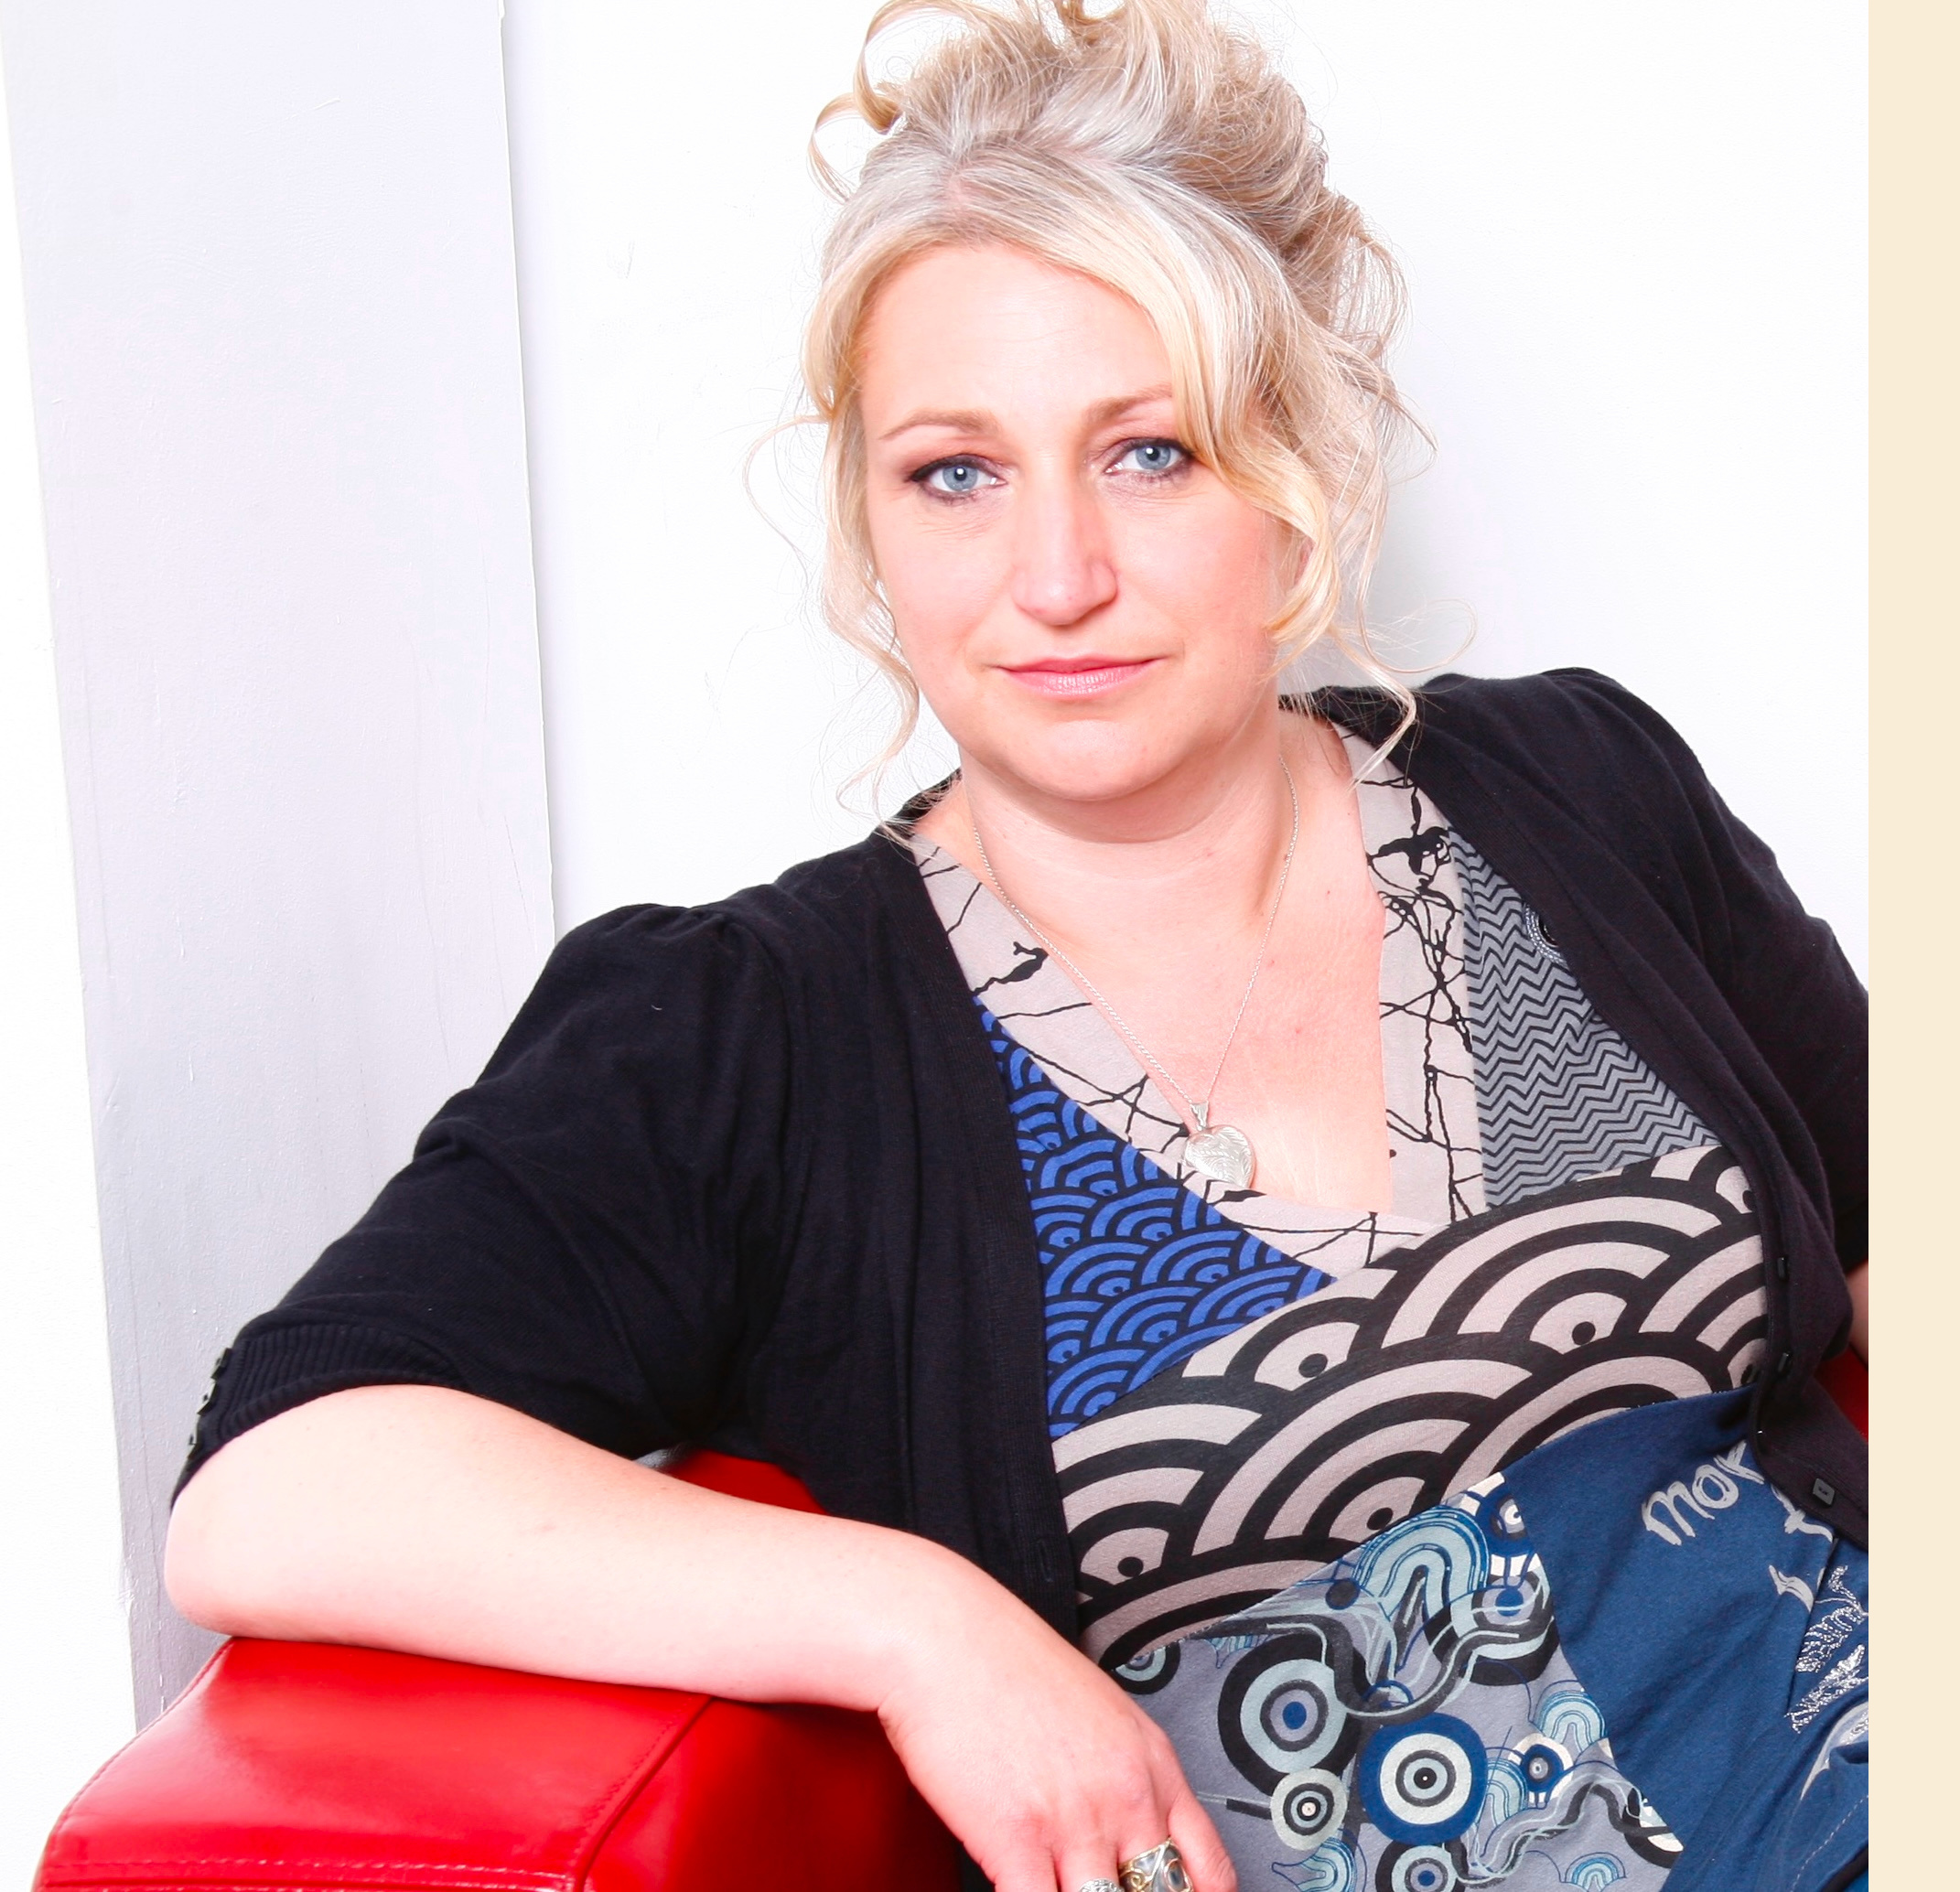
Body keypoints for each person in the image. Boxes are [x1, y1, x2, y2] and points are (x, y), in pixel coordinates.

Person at [165, 4, 1868, 1889]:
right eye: (956, 474)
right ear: (870, 522)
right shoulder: (757, 1034)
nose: (1054, 576)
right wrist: (916, 1622)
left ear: (1290, 471)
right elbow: (280, 1477)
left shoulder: (1569, 787)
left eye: (1147, 452)